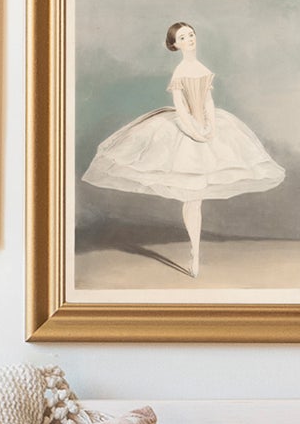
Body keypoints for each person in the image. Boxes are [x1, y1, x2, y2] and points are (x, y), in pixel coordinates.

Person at [81, 21, 284, 278]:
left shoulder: (202, 68)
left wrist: (210, 126)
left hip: (208, 126)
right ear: (175, 45)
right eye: (183, 37)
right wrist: (195, 131)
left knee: (197, 197)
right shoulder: (180, 71)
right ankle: (195, 253)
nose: (189, 39)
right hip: (184, 130)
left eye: (191, 35)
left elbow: (208, 100)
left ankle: (195, 252)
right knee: (191, 197)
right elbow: (180, 108)